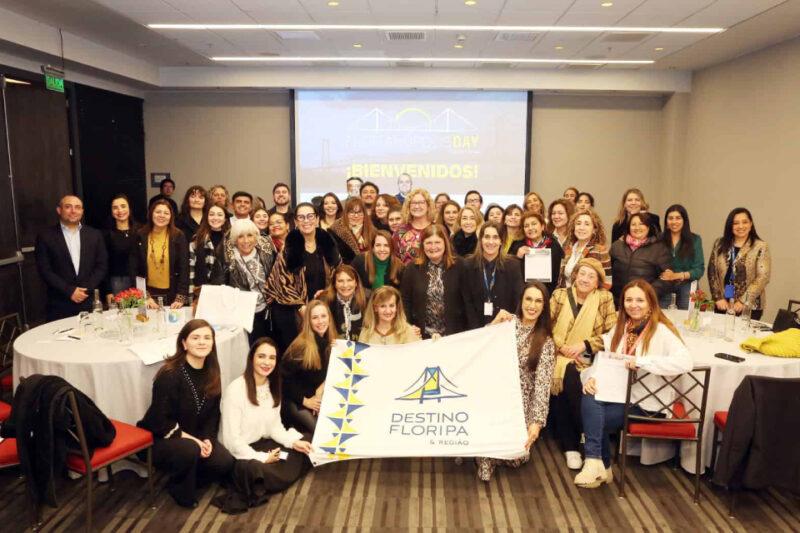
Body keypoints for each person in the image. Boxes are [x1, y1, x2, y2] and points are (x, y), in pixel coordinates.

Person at [574, 280, 692, 488]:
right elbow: (603, 359)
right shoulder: (622, 327)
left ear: (650, 303)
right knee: (589, 396)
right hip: (620, 394)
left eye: (640, 300)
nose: (633, 305)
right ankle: (597, 463)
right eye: (629, 300)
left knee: (592, 415)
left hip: (650, 403)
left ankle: (599, 464)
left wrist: (643, 362)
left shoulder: (661, 330)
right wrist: (591, 378)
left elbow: (686, 362)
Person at [137, 319, 235, 507]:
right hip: (159, 437)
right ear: (184, 343)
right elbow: (159, 421)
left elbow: (213, 415)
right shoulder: (170, 374)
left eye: (207, 338)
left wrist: (207, 438)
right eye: (195, 337)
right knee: (191, 449)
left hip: (193, 435)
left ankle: (188, 473)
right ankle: (178, 488)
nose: (202, 342)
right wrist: (194, 440)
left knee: (224, 462)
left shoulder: (212, 371)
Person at [476, 282, 556, 481]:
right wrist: (494, 323)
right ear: (521, 301)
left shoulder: (545, 341)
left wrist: (536, 423)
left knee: (517, 458)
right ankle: (485, 456)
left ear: (544, 306)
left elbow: (542, 386)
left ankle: (491, 451)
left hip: (521, 402)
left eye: (538, 301)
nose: (532, 305)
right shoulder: (505, 323)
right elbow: (479, 347)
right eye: (528, 299)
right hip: (494, 392)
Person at [219, 337, 312, 494]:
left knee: (306, 442)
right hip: (241, 452)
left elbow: (274, 427)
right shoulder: (235, 390)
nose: (267, 362)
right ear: (252, 358)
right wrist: (262, 458)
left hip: (264, 443)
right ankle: (268, 477)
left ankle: (272, 478)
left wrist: (292, 442)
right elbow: (231, 441)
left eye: (272, 358)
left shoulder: (272, 386)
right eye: (261, 356)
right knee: (254, 470)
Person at [549, 259, 616, 470]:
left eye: (591, 276)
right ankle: (578, 443)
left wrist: (585, 345)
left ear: (597, 282)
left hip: (591, 357)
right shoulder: (559, 295)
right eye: (582, 274)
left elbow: (611, 333)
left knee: (569, 373)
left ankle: (574, 443)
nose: (585, 279)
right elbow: (545, 325)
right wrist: (561, 347)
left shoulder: (605, 298)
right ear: (575, 275)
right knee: (566, 371)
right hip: (559, 353)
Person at [265, 203, 341, 353]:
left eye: (310, 216)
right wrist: (301, 307)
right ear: (296, 221)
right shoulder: (288, 248)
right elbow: (281, 281)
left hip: (322, 308)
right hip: (292, 313)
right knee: (299, 355)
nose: (306, 221)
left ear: (317, 218)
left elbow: (338, 274)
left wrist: (327, 292)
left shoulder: (328, 244)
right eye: (301, 217)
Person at [36, 195, 108, 320]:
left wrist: (85, 289)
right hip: (59, 303)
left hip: (88, 301)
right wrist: (69, 291)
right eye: (68, 207)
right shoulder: (45, 236)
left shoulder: (95, 235)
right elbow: (45, 270)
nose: (73, 211)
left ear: (82, 211)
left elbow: (102, 265)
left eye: (77, 207)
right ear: (59, 210)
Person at [211, 219, 276, 344]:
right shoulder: (227, 260)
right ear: (235, 239)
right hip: (242, 317)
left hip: (268, 312)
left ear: (256, 236)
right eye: (240, 236)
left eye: (250, 235)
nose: (246, 241)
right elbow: (219, 288)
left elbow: (276, 279)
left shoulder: (267, 253)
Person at [400, 224, 466, 338]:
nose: (433, 247)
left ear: (445, 243)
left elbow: (467, 301)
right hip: (421, 335)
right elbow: (405, 302)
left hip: (454, 335)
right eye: (429, 243)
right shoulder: (412, 268)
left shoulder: (460, 266)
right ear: (423, 245)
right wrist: (408, 327)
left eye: (437, 242)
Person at [281, 300, 337, 433]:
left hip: (316, 398)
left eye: (323, 316)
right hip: (296, 401)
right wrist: (305, 401)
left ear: (329, 318)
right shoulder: (302, 345)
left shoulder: (330, 342)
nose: (320, 321)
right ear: (309, 321)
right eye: (315, 317)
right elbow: (281, 379)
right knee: (322, 432)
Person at [707, 207, 771, 320]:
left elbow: (763, 277)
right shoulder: (719, 243)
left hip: (749, 306)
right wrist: (718, 298)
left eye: (745, 222)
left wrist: (743, 301)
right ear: (730, 226)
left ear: (751, 224)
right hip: (723, 303)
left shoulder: (760, 246)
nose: (740, 226)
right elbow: (712, 271)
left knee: (744, 337)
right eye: (736, 223)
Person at [462, 223, 523, 329]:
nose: (491, 242)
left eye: (495, 237)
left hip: (504, 328)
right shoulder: (467, 265)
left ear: (501, 241)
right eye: (487, 237)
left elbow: (518, 300)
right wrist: (479, 331)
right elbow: (467, 303)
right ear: (480, 240)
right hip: (475, 330)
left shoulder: (513, 265)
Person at [132, 199, 189, 309]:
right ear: (151, 213)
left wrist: (180, 297)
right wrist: (144, 296)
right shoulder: (140, 235)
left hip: (173, 295)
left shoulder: (178, 236)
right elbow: (133, 268)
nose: (161, 215)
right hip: (147, 295)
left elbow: (184, 268)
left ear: (171, 217)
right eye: (158, 212)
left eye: (166, 213)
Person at [610, 212, 671, 302]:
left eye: (641, 224)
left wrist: (648, 292)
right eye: (633, 224)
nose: (637, 227)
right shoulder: (616, 246)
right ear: (628, 228)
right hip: (617, 301)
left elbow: (667, 278)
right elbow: (607, 272)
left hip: (645, 301)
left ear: (648, 227)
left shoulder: (659, 248)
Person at [658, 205, 704, 309]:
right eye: (670, 218)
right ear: (666, 222)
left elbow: (699, 269)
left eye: (678, 218)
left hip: (686, 284)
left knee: (686, 320)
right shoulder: (658, 239)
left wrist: (677, 275)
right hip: (664, 284)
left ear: (684, 220)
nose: (674, 222)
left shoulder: (695, 239)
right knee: (663, 319)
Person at [509, 211, 564, 295]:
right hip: (523, 293)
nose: (530, 228)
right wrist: (517, 257)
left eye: (534, 224)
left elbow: (558, 274)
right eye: (526, 226)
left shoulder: (554, 245)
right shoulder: (517, 245)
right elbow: (509, 272)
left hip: (548, 293)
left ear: (542, 226)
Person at [556, 210, 611, 291]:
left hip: (589, 300)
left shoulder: (600, 250)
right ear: (574, 227)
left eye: (587, 224)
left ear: (594, 229)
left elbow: (607, 283)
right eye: (578, 224)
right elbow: (561, 278)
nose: (581, 227)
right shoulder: (568, 249)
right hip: (566, 298)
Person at [103, 194, 138, 304]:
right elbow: (103, 264)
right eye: (115, 207)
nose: (120, 210)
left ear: (129, 208)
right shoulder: (105, 235)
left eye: (123, 206)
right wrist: (108, 290)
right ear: (111, 211)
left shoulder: (141, 230)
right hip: (117, 282)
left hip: (139, 281)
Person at [189, 205, 230, 297]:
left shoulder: (231, 239)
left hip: (226, 291)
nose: (215, 218)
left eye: (219, 215)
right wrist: (191, 295)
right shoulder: (197, 239)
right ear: (206, 217)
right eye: (211, 214)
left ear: (225, 219)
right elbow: (190, 268)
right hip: (202, 291)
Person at [322, 264, 366, 341]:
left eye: (349, 280)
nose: (345, 285)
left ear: (356, 283)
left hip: (359, 348)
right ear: (334, 284)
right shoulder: (325, 302)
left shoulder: (366, 301)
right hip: (332, 348)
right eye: (340, 281)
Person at [392, 189, 434, 264]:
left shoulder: (436, 229)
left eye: (421, 202)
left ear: (428, 205)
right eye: (413, 203)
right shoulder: (400, 231)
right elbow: (395, 260)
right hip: (406, 275)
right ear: (408, 206)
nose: (417, 206)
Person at [329, 197, 375, 264]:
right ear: (346, 214)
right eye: (352, 212)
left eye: (359, 212)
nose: (356, 216)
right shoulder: (336, 230)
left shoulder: (372, 230)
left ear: (364, 214)